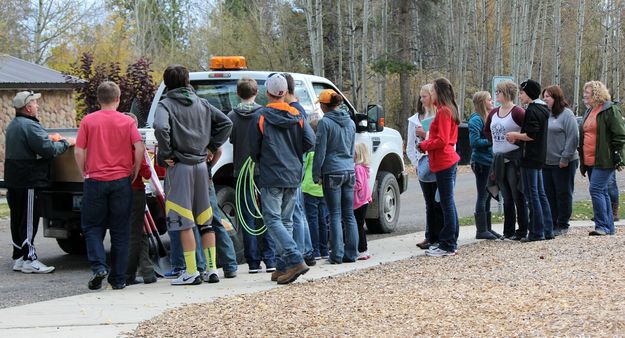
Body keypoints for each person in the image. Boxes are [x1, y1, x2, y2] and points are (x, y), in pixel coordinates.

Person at [153, 65, 232, 285]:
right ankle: (211, 269)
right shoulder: (202, 103)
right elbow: (227, 122)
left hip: (180, 167)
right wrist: (211, 147)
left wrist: (167, 152)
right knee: (205, 220)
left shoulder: (166, 104)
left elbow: (160, 127)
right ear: (188, 81)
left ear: (167, 83)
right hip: (201, 167)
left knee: (183, 220)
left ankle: (190, 271)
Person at [75, 81, 144, 290]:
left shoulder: (88, 121)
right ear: (118, 98)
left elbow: (78, 150)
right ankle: (118, 278)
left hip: (95, 180)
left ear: (98, 99)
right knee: (120, 231)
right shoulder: (127, 122)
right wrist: (134, 169)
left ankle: (98, 267)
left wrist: (83, 172)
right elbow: (139, 147)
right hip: (121, 181)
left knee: (93, 227)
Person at [249, 73, 315, 284]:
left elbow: (253, 150)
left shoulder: (260, 116)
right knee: (285, 221)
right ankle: (282, 266)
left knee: (272, 220)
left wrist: (264, 159)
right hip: (293, 174)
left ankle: (295, 260)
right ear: (285, 92)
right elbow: (309, 142)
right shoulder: (297, 115)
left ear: (267, 92)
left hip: (272, 174)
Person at [5, 90, 75, 274]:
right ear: (28, 108)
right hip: (28, 180)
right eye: (35, 103)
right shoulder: (30, 126)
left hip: (14, 179)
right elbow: (49, 149)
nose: (38, 105)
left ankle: (19, 257)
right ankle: (29, 259)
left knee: (17, 219)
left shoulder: (13, 125)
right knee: (29, 220)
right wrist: (66, 142)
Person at [227, 76, 277, 274]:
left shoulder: (232, 115)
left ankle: (253, 262)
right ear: (257, 93)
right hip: (262, 171)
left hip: (241, 172)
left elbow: (230, 139)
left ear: (238, 94)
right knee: (267, 214)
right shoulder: (264, 114)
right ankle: (271, 258)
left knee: (246, 216)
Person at [312, 89, 359, 264]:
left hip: (332, 171)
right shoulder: (350, 122)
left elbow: (320, 151)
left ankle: (336, 255)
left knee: (334, 214)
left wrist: (315, 174)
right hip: (349, 171)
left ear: (325, 105)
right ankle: (351, 253)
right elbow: (353, 148)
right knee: (349, 214)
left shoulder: (325, 123)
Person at [506, 79, 553, 241]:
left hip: (530, 157)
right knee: (540, 193)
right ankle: (548, 230)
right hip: (539, 156)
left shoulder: (532, 110)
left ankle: (536, 232)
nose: (520, 96)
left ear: (530, 93)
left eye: (522, 93)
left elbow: (531, 135)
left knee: (532, 194)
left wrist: (515, 136)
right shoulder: (543, 108)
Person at [418, 78, 460, 257]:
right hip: (445, 160)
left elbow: (442, 140)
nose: (432, 94)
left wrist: (425, 144)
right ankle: (450, 240)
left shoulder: (443, 111)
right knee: (447, 202)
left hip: (444, 160)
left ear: (438, 92)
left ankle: (448, 244)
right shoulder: (449, 109)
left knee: (446, 203)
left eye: (433, 91)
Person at [579, 80, 625, 236]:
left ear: (596, 93)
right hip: (590, 159)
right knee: (603, 191)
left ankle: (602, 226)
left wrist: (617, 154)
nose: (584, 95)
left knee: (596, 189)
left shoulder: (610, 110)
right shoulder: (589, 111)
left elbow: (619, 134)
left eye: (587, 92)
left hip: (604, 159)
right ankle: (609, 227)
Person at [484, 80, 528, 240]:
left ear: (507, 93)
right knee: (506, 197)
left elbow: (528, 133)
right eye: (495, 92)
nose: (496, 95)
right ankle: (508, 231)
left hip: (513, 159)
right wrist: (496, 142)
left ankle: (522, 230)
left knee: (517, 195)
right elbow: (487, 130)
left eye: (499, 92)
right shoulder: (494, 112)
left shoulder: (518, 112)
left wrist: (516, 140)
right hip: (498, 159)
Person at [283, 73, 316, 266]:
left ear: (286, 91)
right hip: (298, 163)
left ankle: (303, 251)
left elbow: (307, 140)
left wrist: (295, 154)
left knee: (295, 211)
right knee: (299, 210)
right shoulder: (299, 109)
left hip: (294, 165)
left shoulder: (295, 111)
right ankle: (307, 250)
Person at [407, 84, 444, 249]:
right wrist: (417, 163)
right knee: (429, 202)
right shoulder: (414, 120)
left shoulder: (441, 116)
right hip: (423, 163)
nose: (422, 100)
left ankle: (441, 236)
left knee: (440, 202)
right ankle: (430, 236)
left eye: (425, 96)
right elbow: (409, 146)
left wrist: (425, 135)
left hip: (439, 163)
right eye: (420, 97)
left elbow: (445, 139)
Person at [541, 85, 579, 236]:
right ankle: (552, 222)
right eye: (543, 97)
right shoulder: (545, 114)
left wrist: (565, 157)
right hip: (547, 161)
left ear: (556, 98)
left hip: (564, 161)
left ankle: (563, 223)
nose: (545, 100)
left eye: (548, 97)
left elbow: (573, 137)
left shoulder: (566, 115)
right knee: (549, 193)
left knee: (563, 192)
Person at [124, 113, 156, 285]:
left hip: (116, 191)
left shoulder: (114, 144)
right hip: (135, 190)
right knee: (135, 233)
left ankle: (147, 270)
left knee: (123, 232)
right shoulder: (136, 146)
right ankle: (128, 274)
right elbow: (146, 171)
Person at [469, 91, 500, 240]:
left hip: (490, 161)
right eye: (489, 99)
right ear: (482, 102)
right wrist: (492, 140)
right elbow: (474, 142)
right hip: (481, 162)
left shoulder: (489, 117)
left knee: (488, 195)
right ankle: (481, 230)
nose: (492, 101)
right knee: (482, 195)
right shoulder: (476, 120)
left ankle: (488, 228)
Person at [302, 118, 330, 260]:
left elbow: (304, 169)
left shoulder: (309, 150)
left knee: (312, 220)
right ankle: (325, 249)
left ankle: (316, 250)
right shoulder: (325, 149)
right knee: (323, 220)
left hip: (309, 188)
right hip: (323, 189)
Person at [353, 143, 373, 260]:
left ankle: (362, 250)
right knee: (360, 225)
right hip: (364, 201)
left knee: (358, 226)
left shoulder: (357, 168)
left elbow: (358, 185)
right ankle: (364, 249)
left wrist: (348, 184)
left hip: (358, 202)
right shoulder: (364, 168)